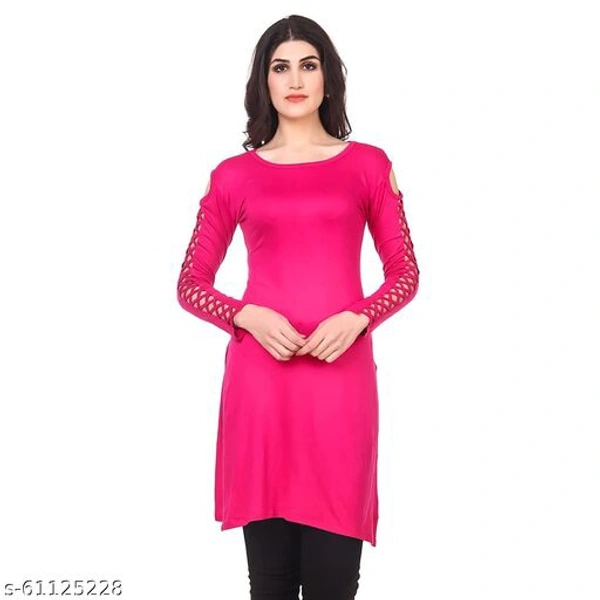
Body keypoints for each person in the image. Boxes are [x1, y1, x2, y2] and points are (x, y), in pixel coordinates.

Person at [176, 14, 420, 600]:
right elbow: (190, 283)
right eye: (280, 67)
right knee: (271, 583)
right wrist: (245, 314)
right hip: (260, 385)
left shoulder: (368, 165)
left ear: (328, 77)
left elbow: (405, 273)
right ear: (263, 81)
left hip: (340, 382)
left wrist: (359, 316)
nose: (294, 80)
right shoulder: (232, 176)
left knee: (335, 581)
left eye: (308, 65)